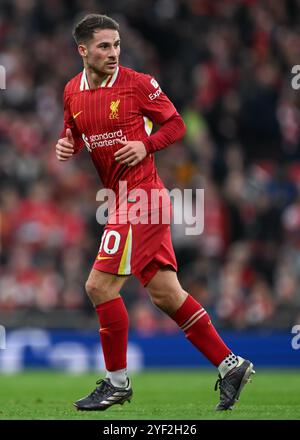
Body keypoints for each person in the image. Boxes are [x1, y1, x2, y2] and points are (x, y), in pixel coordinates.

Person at [55, 13, 255, 412]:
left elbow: (176, 124)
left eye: (116, 45)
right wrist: (67, 147)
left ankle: (117, 383)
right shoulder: (71, 92)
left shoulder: (138, 84)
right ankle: (230, 365)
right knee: (166, 294)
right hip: (120, 198)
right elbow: (74, 134)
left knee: (98, 287)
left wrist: (147, 146)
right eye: (104, 46)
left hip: (142, 196)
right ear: (83, 51)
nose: (113, 53)